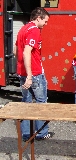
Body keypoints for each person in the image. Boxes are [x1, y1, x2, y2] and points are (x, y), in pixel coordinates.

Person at [14, 7, 54, 141]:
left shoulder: (23, 29)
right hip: (35, 73)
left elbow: (16, 50)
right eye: (45, 21)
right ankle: (42, 133)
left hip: (22, 72)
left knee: (26, 102)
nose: (45, 24)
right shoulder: (35, 31)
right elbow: (26, 52)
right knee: (41, 102)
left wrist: (21, 69)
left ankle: (26, 134)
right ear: (38, 18)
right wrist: (30, 76)